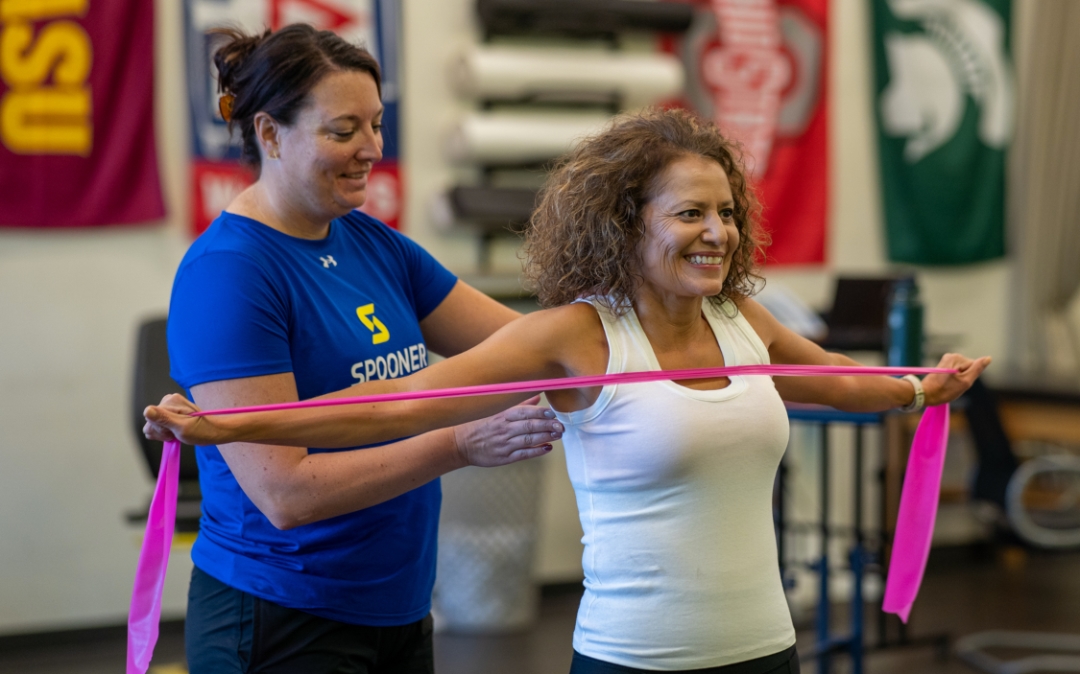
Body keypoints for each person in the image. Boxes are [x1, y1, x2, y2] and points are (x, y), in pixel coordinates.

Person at [148, 107, 991, 674]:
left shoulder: (744, 320)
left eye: (727, 213)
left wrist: (919, 388)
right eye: (691, 213)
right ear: (627, 224)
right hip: (634, 656)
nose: (719, 233)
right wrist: (234, 425)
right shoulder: (574, 335)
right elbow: (408, 401)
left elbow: (838, 384)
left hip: (766, 649)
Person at [164, 24, 563, 674]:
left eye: (377, 125)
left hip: (398, 606)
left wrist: (641, 323)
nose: (371, 149)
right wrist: (459, 444)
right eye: (343, 130)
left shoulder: (371, 242)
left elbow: (525, 347)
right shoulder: (230, 273)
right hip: (283, 614)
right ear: (269, 134)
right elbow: (285, 494)